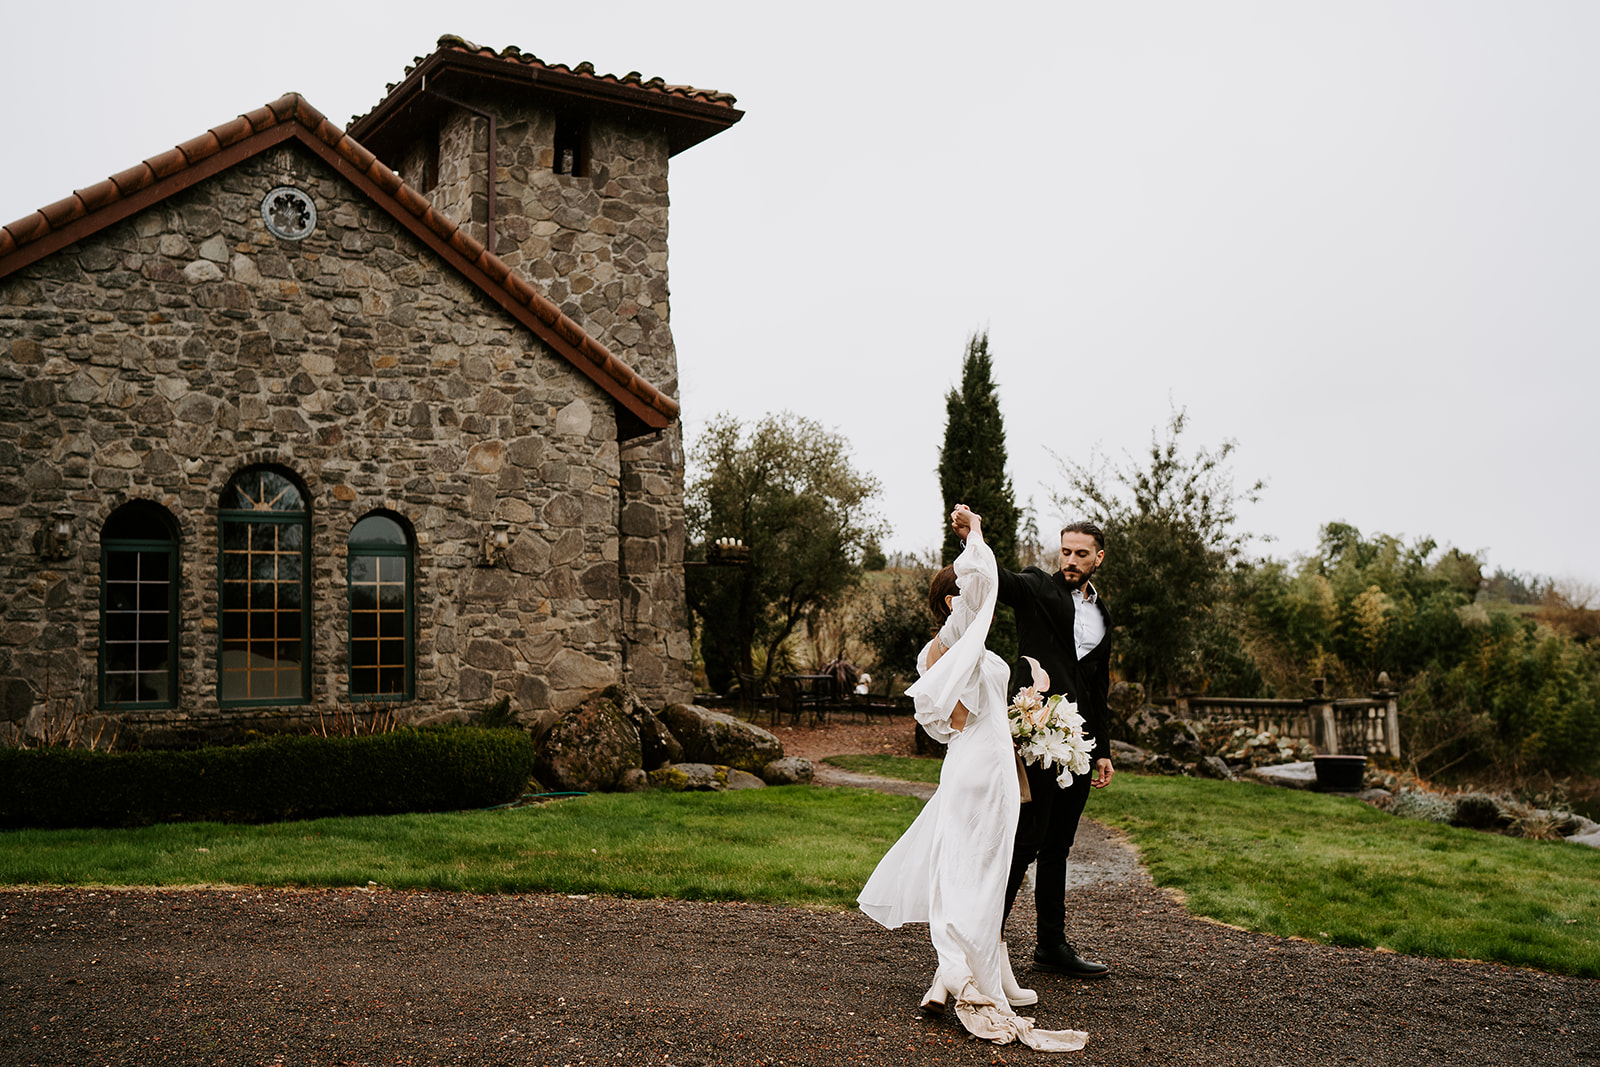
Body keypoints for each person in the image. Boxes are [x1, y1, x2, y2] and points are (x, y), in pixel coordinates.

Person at [859, 506, 1088, 1052]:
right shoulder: (951, 651)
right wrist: (976, 534)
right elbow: (957, 717)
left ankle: (952, 976)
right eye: (960, 595)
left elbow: (963, 716)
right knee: (976, 871)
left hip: (982, 764)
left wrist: (1028, 710)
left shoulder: (958, 653)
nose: (974, 601)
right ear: (949, 602)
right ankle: (966, 976)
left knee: (969, 870)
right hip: (982, 768)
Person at [952, 513, 1115, 980]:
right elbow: (1000, 580)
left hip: (1079, 746)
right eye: (1065, 551)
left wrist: (1102, 749)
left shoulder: (1103, 615)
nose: (1071, 560)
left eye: (1081, 553)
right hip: (1036, 735)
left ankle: (1051, 945)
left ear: (1098, 559)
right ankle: (984, 941)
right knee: (1025, 840)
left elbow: (1097, 686)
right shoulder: (1039, 588)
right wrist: (973, 539)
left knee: (1059, 845)